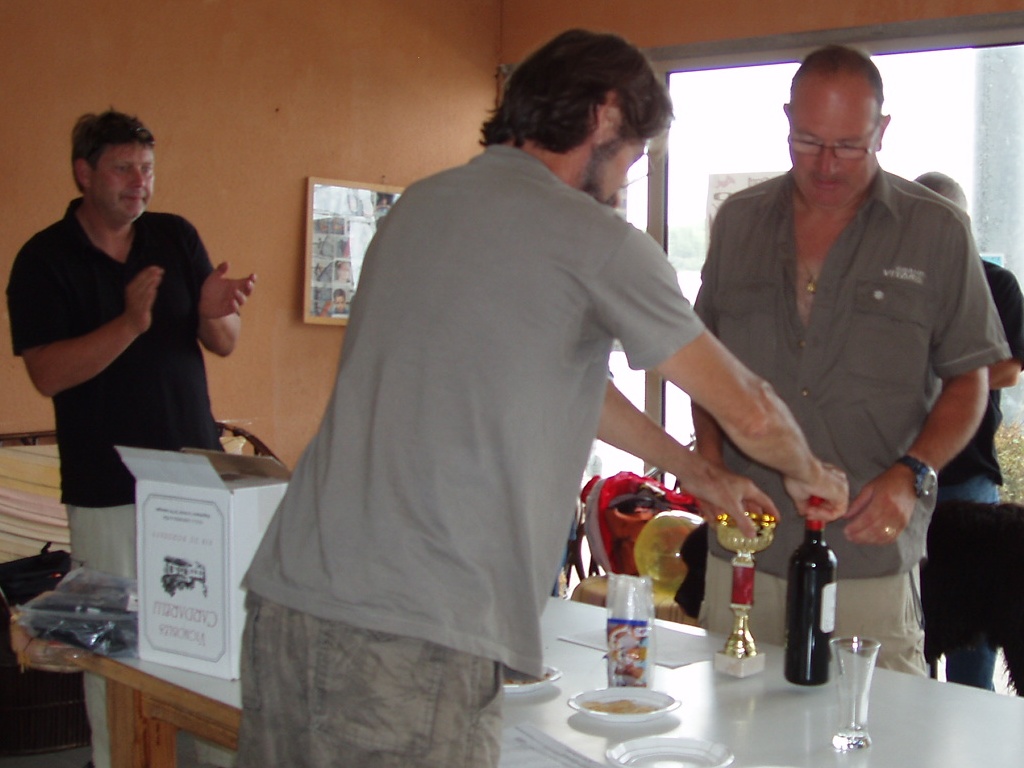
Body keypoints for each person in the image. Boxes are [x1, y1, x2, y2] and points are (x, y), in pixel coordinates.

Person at [238, 29, 848, 768]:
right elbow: (748, 407)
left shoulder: (420, 206)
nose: (623, 183)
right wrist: (810, 472)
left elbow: (565, 377)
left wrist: (696, 471)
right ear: (603, 115)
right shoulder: (594, 239)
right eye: (632, 157)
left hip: (288, 600)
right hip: (415, 634)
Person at [692, 45, 1010, 675]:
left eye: (848, 146)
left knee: (873, 723)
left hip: (868, 552)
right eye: (808, 142)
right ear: (787, 119)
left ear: (882, 130)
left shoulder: (937, 231)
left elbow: (969, 380)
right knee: (733, 718)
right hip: (746, 543)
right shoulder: (738, 223)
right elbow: (704, 362)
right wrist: (707, 463)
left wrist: (913, 472)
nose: (827, 165)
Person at [6, 109, 255, 768]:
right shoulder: (43, 259)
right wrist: (129, 323)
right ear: (84, 173)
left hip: (196, 483)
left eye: (146, 169)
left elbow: (223, 343)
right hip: (108, 488)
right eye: (123, 168)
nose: (139, 182)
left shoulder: (174, 236)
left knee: (210, 636)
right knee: (114, 645)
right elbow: (47, 373)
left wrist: (217, 312)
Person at [915, 170, 1024, 689]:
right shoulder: (899, 283)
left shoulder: (995, 283)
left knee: (979, 633)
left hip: (967, 475)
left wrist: (940, 378)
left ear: (963, 223)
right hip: (897, 476)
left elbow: (1010, 368)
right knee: (910, 627)